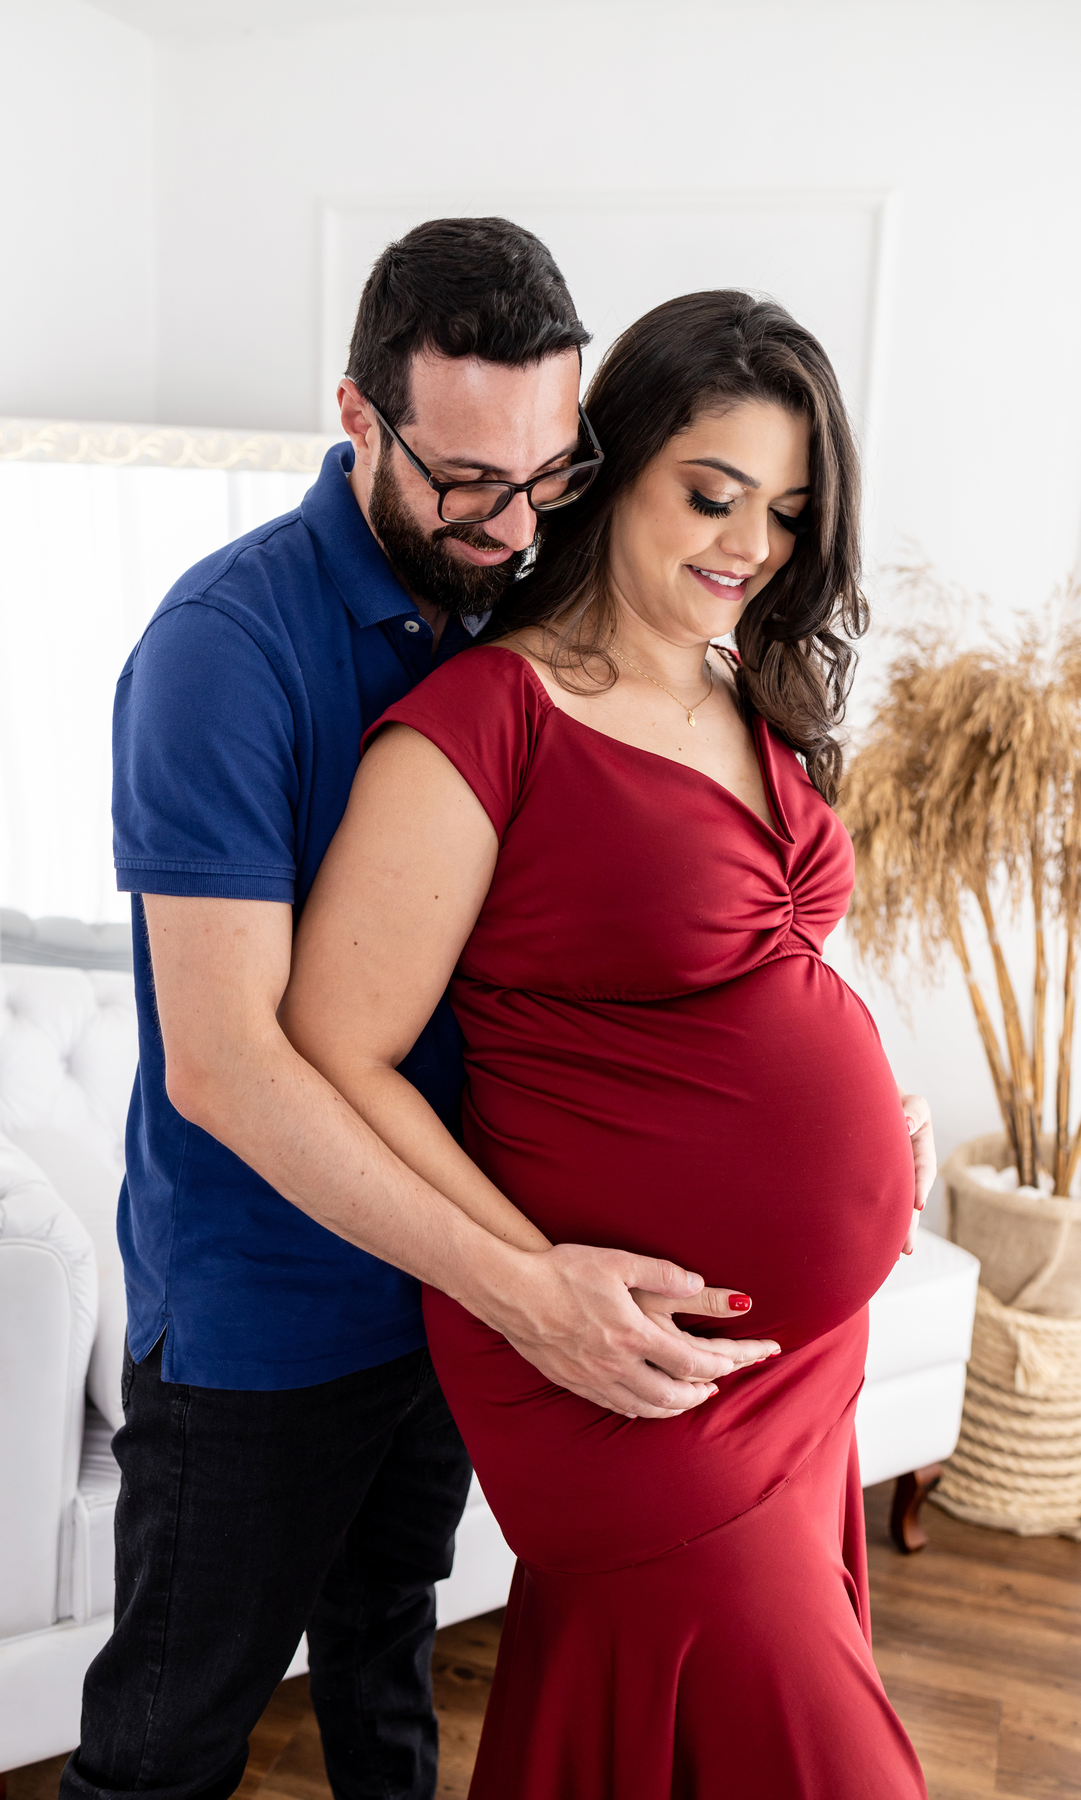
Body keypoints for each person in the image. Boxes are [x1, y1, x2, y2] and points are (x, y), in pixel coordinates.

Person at [60, 224, 772, 1800]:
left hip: (446, 1299)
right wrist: (523, 1290)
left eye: (547, 474)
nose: (512, 526)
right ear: (357, 416)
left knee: (388, 1673)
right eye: (465, 483)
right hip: (263, 1324)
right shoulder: (221, 652)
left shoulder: (521, 607)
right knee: (163, 1751)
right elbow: (227, 1066)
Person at [287, 290, 937, 1799]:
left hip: (791, 1359)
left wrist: (862, 1099)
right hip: (614, 1363)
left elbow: (742, 968)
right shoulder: (484, 722)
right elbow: (334, 1044)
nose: (750, 544)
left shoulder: (736, 683)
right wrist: (533, 1288)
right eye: (712, 495)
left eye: (787, 513)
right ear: (614, 463)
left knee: (666, 1728)